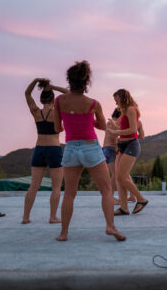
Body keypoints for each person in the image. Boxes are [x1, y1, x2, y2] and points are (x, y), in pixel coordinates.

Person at [53, 61, 125, 241]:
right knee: (106, 189)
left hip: (70, 147)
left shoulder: (59, 101)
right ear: (86, 81)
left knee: (69, 193)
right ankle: (110, 226)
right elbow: (102, 126)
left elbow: (57, 128)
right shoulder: (93, 103)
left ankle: (63, 233)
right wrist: (87, 121)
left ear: (69, 80)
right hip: (90, 146)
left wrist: (71, 120)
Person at [23, 78, 68, 224]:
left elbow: (27, 94)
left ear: (41, 100)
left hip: (39, 149)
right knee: (56, 187)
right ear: (53, 99)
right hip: (54, 149)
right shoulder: (57, 112)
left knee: (34, 186)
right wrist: (52, 86)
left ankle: (25, 217)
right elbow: (68, 93)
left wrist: (35, 80)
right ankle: (53, 217)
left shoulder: (36, 111)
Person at [107, 89, 149, 216]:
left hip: (131, 144)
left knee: (121, 176)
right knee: (119, 178)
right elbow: (122, 128)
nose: (116, 103)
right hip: (122, 145)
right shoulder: (123, 111)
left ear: (122, 98)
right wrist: (114, 127)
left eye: (117, 100)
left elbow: (132, 130)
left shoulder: (131, 109)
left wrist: (116, 132)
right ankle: (124, 208)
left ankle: (141, 199)